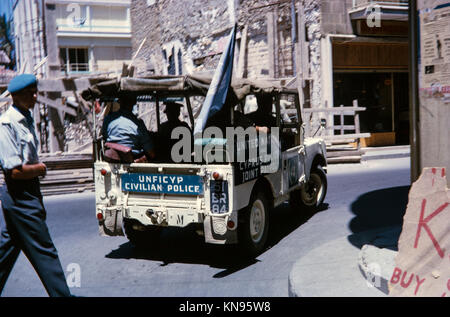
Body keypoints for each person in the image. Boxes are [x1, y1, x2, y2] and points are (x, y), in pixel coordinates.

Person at [0, 74, 72, 297]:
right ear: (16, 96)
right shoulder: (6, 124)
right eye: (30, 93)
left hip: (28, 193)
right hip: (20, 195)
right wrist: (42, 169)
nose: (35, 96)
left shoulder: (26, 118)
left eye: (35, 91)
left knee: (8, 247)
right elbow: (14, 170)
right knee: (45, 251)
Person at [102, 93, 156, 162]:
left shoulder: (108, 119)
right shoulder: (138, 123)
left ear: (119, 102)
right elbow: (151, 153)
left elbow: (105, 136)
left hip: (113, 159)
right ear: (134, 103)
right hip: (134, 159)